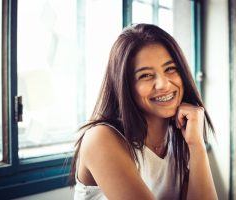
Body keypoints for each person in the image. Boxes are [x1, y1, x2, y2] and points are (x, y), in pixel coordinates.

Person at [71, 23, 217, 200]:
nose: (163, 84)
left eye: (170, 69)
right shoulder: (101, 138)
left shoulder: (180, 138)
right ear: (125, 87)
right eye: (146, 75)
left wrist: (197, 145)